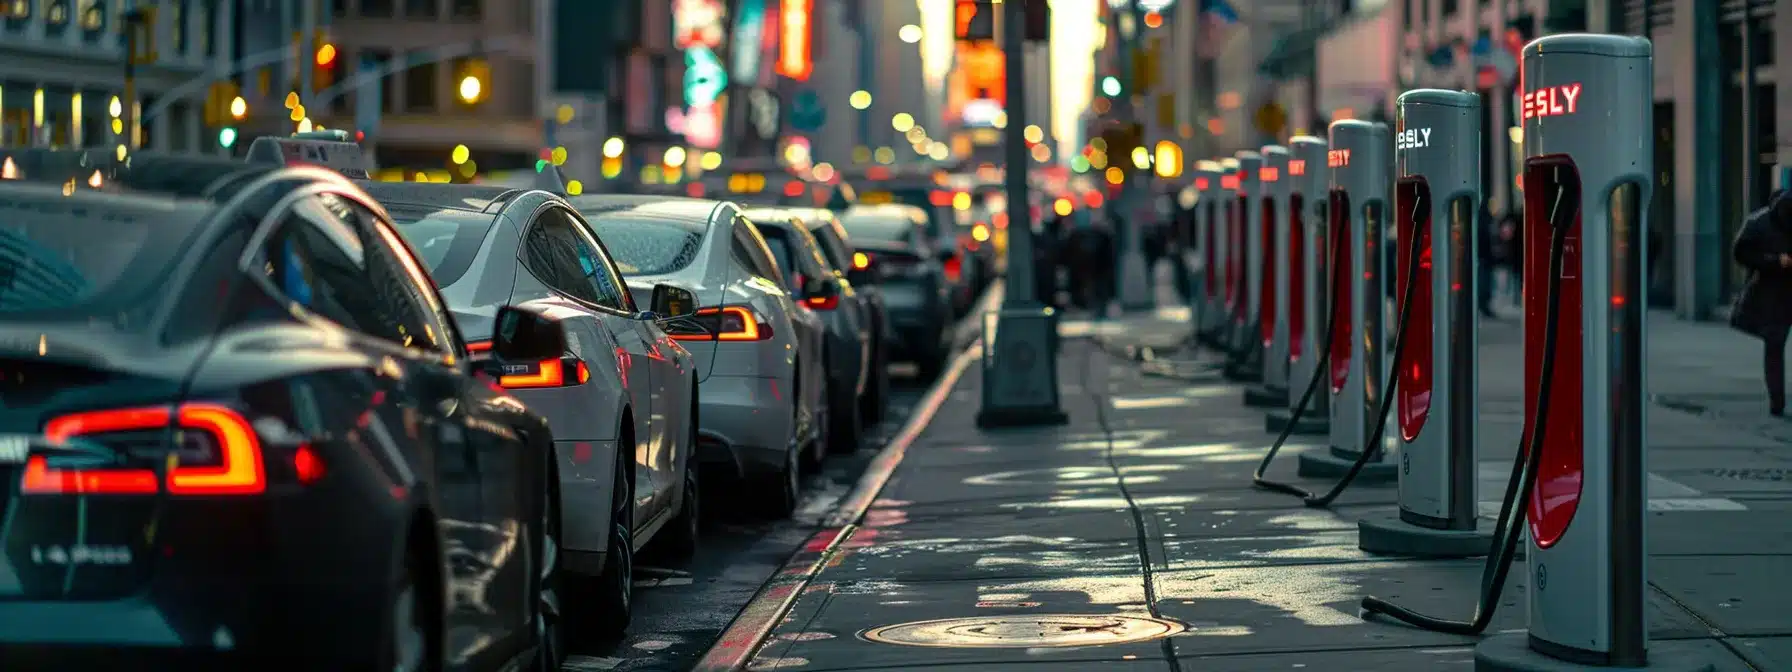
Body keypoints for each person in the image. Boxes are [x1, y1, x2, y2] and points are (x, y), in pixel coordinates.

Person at [1729, 189, 1792, 416]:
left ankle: (1778, 401)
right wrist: (1774, 261)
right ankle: (1777, 400)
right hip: (1774, 292)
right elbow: (1742, 253)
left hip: (1779, 292)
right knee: (1775, 344)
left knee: (1774, 346)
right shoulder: (1759, 223)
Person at [1477, 200, 1498, 318]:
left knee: (1484, 281)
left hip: (1483, 257)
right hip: (1485, 257)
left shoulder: (1480, 221)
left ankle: (1483, 304)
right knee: (1485, 282)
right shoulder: (1485, 222)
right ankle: (1484, 305)